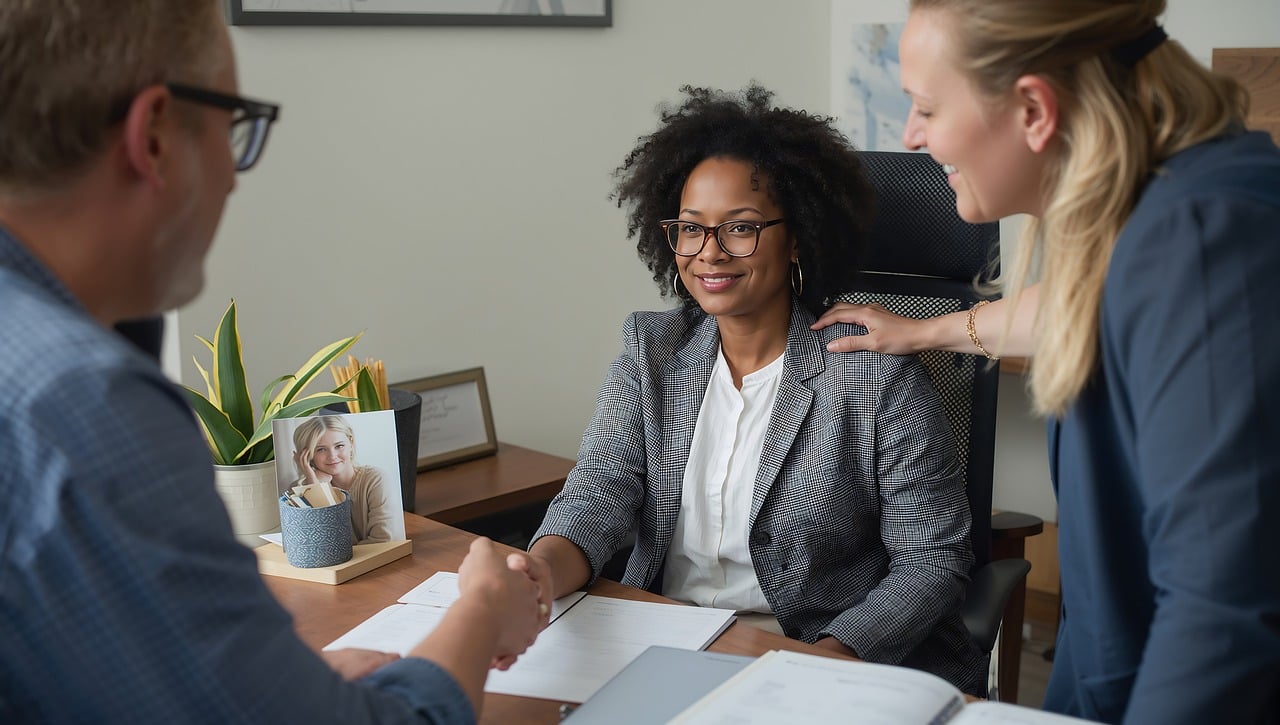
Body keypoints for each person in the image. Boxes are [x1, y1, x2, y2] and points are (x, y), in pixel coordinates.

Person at [0, 1, 544, 722]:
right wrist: (479, 612)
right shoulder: (85, 407)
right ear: (155, 136)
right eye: (233, 129)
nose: (231, 176)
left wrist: (288, 682)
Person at [812, 2, 1280, 722]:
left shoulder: (1202, 238)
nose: (911, 135)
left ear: (1033, 107)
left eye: (927, 108)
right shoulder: (1152, 213)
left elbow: (1222, 616)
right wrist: (923, 333)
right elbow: (1078, 306)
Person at [507, 84, 986, 694]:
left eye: (741, 228)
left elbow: (929, 561)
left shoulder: (870, 372)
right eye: (691, 228)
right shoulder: (652, 350)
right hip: (664, 645)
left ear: (797, 238)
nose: (710, 253)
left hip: (814, 656)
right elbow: (601, 488)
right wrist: (538, 574)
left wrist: (827, 659)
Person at [291, 416, 406, 543]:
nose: (332, 456)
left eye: (339, 446)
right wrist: (316, 487)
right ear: (307, 455)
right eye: (321, 449)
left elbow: (384, 541)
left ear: (350, 443)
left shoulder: (376, 479)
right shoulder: (301, 490)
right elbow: (321, 545)